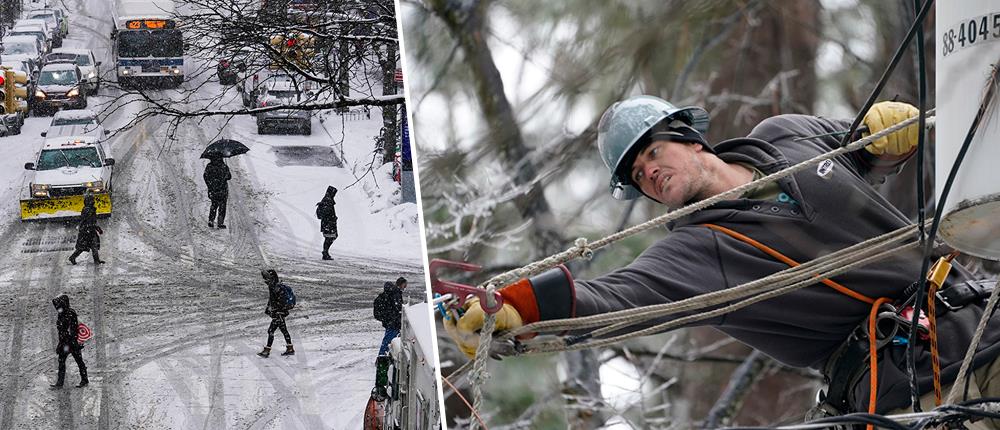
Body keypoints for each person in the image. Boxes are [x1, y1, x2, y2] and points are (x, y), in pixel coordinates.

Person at [444, 96, 1000, 422]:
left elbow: (867, 143)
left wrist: (887, 131)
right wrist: (515, 307)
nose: (650, 174)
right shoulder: (696, 252)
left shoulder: (786, 137)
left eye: (653, 153)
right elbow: (611, 298)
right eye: (638, 176)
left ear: (689, 139)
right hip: (917, 386)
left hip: (984, 318)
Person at [51, 294, 88, 388]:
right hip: (65, 342)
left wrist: (69, 340)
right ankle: (60, 383)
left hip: (70, 342)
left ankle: (84, 380)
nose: (57, 307)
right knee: (62, 362)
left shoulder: (70, 313)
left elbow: (73, 329)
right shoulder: (61, 313)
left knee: (78, 361)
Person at [258, 269, 295, 358]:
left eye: (267, 278)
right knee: (284, 330)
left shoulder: (276, 287)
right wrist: (269, 309)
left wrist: (277, 311)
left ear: (272, 278)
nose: (265, 280)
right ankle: (290, 348)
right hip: (279, 313)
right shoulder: (273, 286)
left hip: (279, 313)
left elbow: (278, 301)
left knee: (271, 331)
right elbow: (272, 300)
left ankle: (267, 350)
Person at [69, 193, 104, 265]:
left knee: (93, 246)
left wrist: (95, 228)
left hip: (89, 230)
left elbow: (92, 221)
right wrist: (97, 228)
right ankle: (72, 257)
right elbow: (89, 221)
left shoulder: (90, 209)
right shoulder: (88, 210)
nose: (93, 201)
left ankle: (97, 260)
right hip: (86, 231)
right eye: (91, 200)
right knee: (83, 247)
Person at [374, 277, 405, 356]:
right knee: (389, 341)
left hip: (390, 321)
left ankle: (384, 357)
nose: (405, 287)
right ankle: (382, 357)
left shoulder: (388, 295)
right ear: (401, 284)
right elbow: (398, 308)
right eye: (404, 285)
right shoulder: (395, 293)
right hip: (394, 322)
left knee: (389, 340)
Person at [203, 156, 232, 229]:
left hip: (213, 189)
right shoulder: (224, 166)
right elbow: (229, 177)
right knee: (222, 206)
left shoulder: (209, 166)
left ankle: (211, 220)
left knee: (214, 205)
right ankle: (220, 222)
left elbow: (205, 176)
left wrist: (210, 185)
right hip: (222, 189)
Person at [316, 186, 338, 260]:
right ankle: (325, 252)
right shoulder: (328, 200)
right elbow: (327, 212)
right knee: (330, 237)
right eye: (334, 193)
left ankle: (325, 252)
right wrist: (332, 217)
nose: (334, 194)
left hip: (328, 223)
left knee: (330, 237)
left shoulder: (327, 199)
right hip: (328, 223)